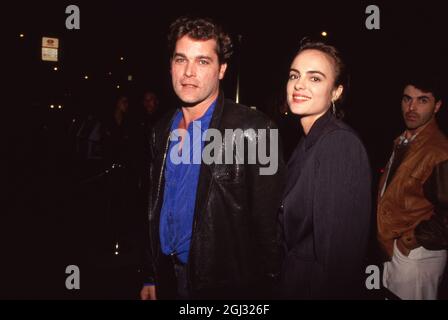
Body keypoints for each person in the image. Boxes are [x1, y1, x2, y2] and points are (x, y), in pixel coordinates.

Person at [140, 17, 285, 300]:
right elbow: (154, 206)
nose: (189, 72)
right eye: (181, 60)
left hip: (225, 287)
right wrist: (151, 275)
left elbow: (271, 232)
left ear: (222, 70)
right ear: (171, 65)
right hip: (169, 278)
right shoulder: (160, 130)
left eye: (203, 62)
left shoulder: (254, 129)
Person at [278, 41, 372, 299]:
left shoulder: (339, 144)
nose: (299, 85)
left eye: (315, 78)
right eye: (294, 75)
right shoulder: (308, 142)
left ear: (336, 92)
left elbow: (338, 262)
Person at [377, 74, 448, 300]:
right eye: (407, 99)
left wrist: (409, 241)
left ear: (437, 106)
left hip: (417, 255)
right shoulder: (405, 141)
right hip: (397, 252)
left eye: (422, 100)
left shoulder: (439, 151)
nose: (411, 107)